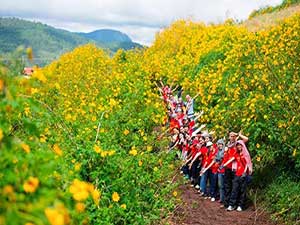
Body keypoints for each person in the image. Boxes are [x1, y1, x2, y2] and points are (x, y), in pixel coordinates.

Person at [226, 140, 252, 211]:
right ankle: (231, 204)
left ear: (242, 146)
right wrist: (224, 165)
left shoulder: (245, 154)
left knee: (242, 190)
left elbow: (247, 163)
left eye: (240, 145)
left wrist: (244, 172)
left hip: (244, 174)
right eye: (237, 145)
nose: (239, 146)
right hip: (237, 173)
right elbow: (232, 159)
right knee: (234, 189)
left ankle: (240, 205)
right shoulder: (237, 154)